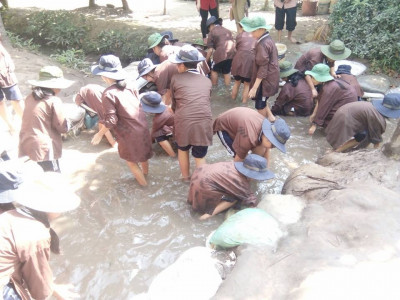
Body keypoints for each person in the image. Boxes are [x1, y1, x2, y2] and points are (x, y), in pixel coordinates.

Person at [0, 171, 80, 300]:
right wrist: (52, 292)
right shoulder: (36, 234)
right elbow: (38, 283)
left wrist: (52, 287)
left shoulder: (10, 214)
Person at [91, 55, 153, 187]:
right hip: (142, 126)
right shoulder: (131, 86)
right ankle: (146, 176)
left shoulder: (108, 94)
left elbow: (112, 120)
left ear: (104, 76)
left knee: (131, 162)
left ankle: (145, 187)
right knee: (143, 157)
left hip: (129, 133)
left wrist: (99, 134)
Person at [169, 45, 213, 181]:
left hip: (183, 121)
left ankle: (185, 178)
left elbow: (174, 105)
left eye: (177, 64)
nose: (177, 67)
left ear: (182, 65)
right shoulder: (207, 81)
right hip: (204, 122)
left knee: (182, 149)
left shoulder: (176, 79)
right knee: (200, 156)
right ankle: (202, 183)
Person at [19, 66, 73, 173]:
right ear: (54, 87)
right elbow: (62, 128)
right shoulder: (54, 101)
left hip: (27, 143)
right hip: (44, 148)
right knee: (52, 175)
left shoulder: (29, 97)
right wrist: (69, 124)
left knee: (37, 175)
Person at [188, 153, 274, 220]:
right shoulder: (240, 182)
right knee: (234, 199)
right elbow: (249, 199)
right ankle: (206, 216)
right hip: (203, 187)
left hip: (198, 176)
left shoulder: (233, 165)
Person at [213, 107, 290, 166]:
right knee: (241, 157)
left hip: (243, 123)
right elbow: (238, 161)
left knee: (259, 155)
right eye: (274, 145)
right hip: (224, 126)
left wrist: (266, 170)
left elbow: (266, 152)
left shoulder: (268, 130)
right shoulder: (248, 138)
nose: (272, 147)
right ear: (268, 138)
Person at [325, 93, 400, 152]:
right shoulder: (378, 119)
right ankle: (337, 151)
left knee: (362, 135)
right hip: (345, 119)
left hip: (343, 111)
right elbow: (376, 139)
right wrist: (377, 152)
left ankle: (338, 149)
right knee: (361, 137)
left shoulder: (371, 106)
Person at [240, 16, 279, 119]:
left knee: (260, 104)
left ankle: (261, 125)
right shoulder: (268, 38)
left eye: (253, 31)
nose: (251, 34)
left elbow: (263, 68)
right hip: (272, 76)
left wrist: (254, 88)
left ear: (261, 29)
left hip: (266, 80)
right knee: (263, 99)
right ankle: (271, 118)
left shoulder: (263, 44)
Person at [306, 64, 357, 135]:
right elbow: (320, 100)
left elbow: (324, 107)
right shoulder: (329, 83)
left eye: (313, 77)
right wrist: (314, 114)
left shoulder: (329, 88)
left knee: (326, 119)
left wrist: (314, 124)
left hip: (347, 109)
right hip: (347, 105)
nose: (311, 80)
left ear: (319, 77)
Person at [0, 34, 24, 134]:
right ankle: (11, 127)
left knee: (16, 98)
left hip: (4, 69)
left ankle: (27, 124)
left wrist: (8, 60)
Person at [139, 91, 176, 157]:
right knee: (161, 130)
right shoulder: (166, 107)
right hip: (181, 126)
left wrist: (149, 143)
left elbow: (154, 132)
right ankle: (171, 142)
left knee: (158, 136)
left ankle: (172, 155)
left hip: (178, 130)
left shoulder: (158, 119)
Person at [205, 16, 235, 86]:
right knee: (227, 72)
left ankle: (214, 87)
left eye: (209, 28)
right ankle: (227, 88)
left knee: (214, 70)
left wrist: (206, 61)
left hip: (220, 54)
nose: (209, 30)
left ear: (211, 25)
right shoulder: (227, 30)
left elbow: (210, 50)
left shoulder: (211, 32)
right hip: (231, 53)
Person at [231, 22, 255, 104]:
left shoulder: (239, 36)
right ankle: (244, 104)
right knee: (247, 85)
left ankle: (232, 101)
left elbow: (237, 48)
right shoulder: (255, 36)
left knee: (237, 82)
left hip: (238, 61)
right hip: (249, 63)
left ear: (242, 27)